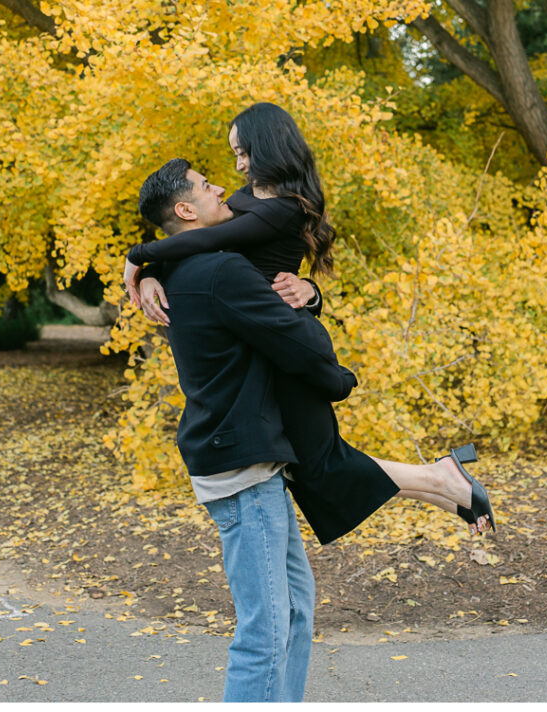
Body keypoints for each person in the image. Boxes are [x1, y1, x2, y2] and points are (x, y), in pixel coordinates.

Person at [127, 104, 495, 543]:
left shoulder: (283, 208)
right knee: (314, 468)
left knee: (320, 465)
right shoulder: (246, 200)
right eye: (235, 156)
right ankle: (445, 487)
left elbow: (210, 240)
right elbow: (197, 245)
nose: (238, 167)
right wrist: (151, 274)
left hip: (287, 343)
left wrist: (139, 255)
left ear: (267, 147)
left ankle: (444, 482)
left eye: (243, 153)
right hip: (270, 345)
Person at [131, 158, 357, 701]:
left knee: (296, 610)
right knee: (266, 629)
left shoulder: (186, 269)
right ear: (186, 210)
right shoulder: (220, 269)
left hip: (247, 459)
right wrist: (339, 375)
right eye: (207, 187)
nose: (224, 191)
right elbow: (300, 345)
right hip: (241, 468)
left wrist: (142, 266)